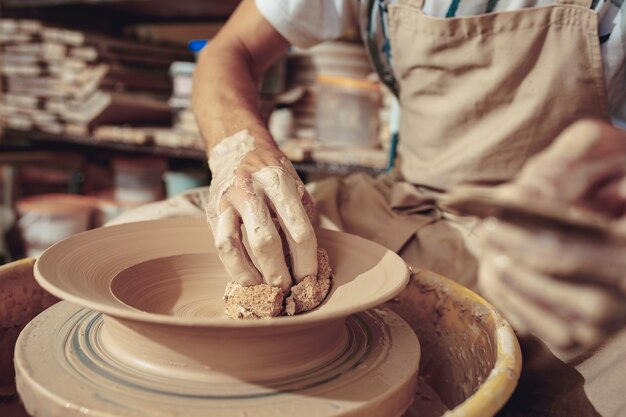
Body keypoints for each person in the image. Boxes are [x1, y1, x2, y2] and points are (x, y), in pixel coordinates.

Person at [112, 0, 626, 414]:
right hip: (411, 201)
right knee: (136, 234)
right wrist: (238, 148)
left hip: (568, 230)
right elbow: (230, 49)